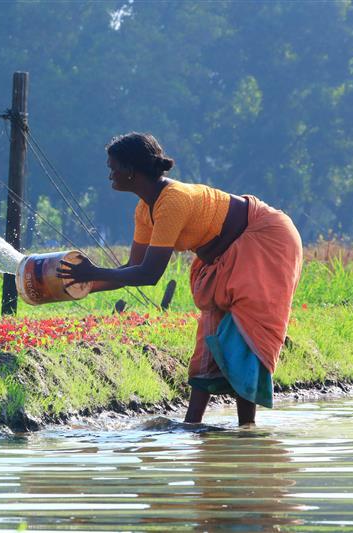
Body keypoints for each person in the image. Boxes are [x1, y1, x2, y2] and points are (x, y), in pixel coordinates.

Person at [57, 132, 302, 425]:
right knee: (210, 335)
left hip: (263, 239)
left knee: (242, 333)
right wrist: (80, 285)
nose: (109, 173)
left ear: (132, 171)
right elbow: (131, 268)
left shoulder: (173, 201)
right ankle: (191, 425)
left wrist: (93, 272)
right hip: (225, 256)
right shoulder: (144, 210)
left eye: (113, 167)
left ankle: (246, 430)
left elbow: (149, 274)